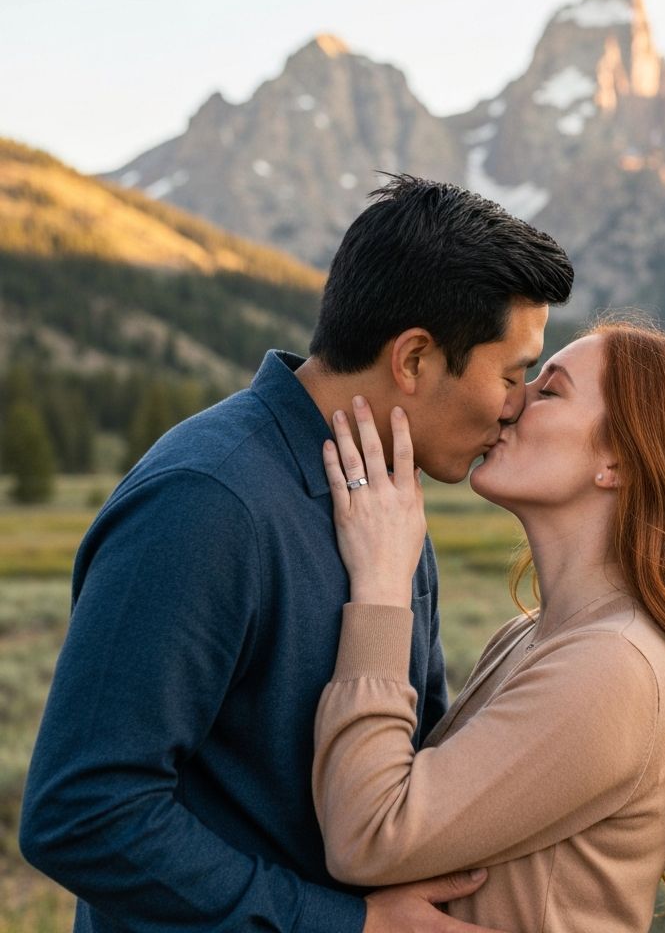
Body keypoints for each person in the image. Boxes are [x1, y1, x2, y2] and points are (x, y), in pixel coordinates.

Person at [19, 175, 574, 933]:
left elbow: (412, 766)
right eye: (511, 375)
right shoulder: (206, 502)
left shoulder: (387, 502)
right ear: (413, 359)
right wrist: (346, 924)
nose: (518, 405)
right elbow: (83, 812)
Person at [313, 321, 665, 933]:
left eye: (549, 392)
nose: (511, 401)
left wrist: (384, 587)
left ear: (618, 461)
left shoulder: (615, 668)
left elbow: (368, 835)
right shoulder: (529, 637)